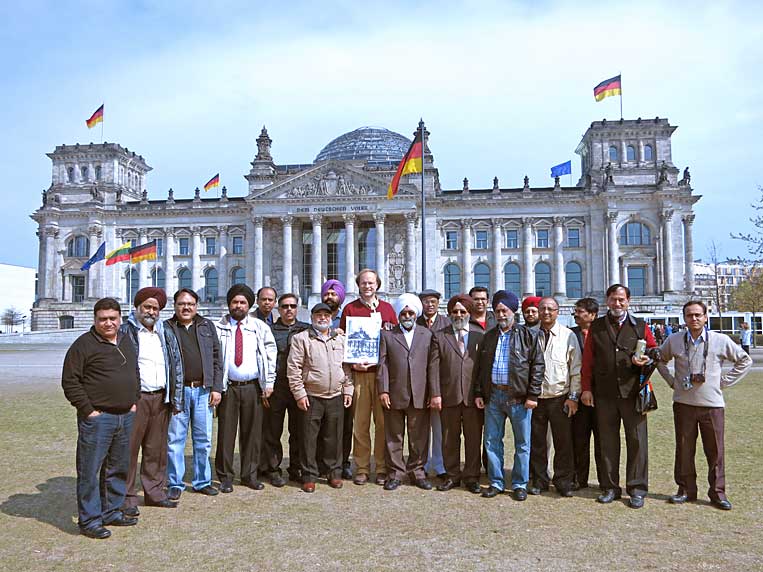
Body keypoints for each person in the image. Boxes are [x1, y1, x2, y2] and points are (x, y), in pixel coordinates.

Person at [656, 300, 752, 510]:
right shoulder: (674, 340)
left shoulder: (720, 340)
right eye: (690, 315)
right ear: (684, 318)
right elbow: (659, 359)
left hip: (712, 405)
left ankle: (717, 493)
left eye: (698, 315)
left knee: (715, 451)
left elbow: (744, 360)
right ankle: (685, 490)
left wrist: (724, 382)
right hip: (684, 404)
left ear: (706, 317)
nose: (694, 318)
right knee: (684, 449)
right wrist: (672, 381)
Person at [61, 298, 140, 539]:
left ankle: (111, 511)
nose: (108, 323)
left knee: (117, 468)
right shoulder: (83, 345)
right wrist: (88, 410)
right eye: (103, 319)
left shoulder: (126, 340)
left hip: (125, 416)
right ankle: (90, 520)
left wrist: (134, 400)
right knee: (90, 471)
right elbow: (70, 381)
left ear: (120, 319)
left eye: (112, 319)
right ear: (95, 320)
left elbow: (134, 370)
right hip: (98, 418)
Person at [581, 284, 656, 509]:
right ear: (607, 301)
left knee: (637, 442)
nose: (617, 304)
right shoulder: (596, 327)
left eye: (621, 300)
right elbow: (588, 361)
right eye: (613, 299)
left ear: (628, 301)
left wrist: (646, 360)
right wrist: (586, 388)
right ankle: (610, 487)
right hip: (604, 394)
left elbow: (653, 351)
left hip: (633, 393)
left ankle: (637, 488)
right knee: (607, 442)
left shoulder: (641, 326)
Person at [473, 290, 544, 500]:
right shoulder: (489, 337)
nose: (501, 315)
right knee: (492, 441)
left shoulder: (529, 335)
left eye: (504, 310)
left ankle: (520, 483)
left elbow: (537, 367)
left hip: (519, 398)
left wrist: (533, 395)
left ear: (513, 311)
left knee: (523, 443)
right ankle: (496, 482)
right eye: (497, 311)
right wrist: (479, 392)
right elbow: (481, 368)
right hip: (494, 396)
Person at [121, 287, 183, 515]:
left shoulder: (165, 332)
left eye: (155, 308)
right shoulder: (126, 331)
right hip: (136, 399)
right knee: (128, 449)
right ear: (137, 308)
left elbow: (176, 364)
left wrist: (175, 397)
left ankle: (155, 493)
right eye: (147, 307)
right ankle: (126, 497)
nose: (151, 312)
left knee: (156, 449)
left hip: (161, 397)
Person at [215, 284, 277, 493]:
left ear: (249, 305)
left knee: (252, 434)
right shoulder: (219, 327)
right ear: (229, 304)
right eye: (235, 302)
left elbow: (270, 355)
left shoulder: (260, 327)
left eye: (242, 302)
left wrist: (269, 382)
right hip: (229, 388)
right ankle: (225, 476)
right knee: (226, 433)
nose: (238, 306)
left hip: (252, 387)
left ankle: (249, 475)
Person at [339, 269, 397, 486]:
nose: (367, 286)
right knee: (360, 424)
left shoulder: (388, 309)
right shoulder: (350, 309)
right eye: (363, 283)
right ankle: (362, 468)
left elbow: (395, 342)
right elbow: (343, 342)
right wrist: (352, 363)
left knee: (382, 424)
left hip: (381, 375)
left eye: (371, 283)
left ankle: (381, 467)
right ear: (358, 285)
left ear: (377, 285)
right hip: (359, 374)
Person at [287, 303, 353, 493]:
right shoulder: (301, 339)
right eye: (318, 315)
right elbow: (294, 369)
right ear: (312, 317)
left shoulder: (340, 339)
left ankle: (334, 472)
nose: (322, 318)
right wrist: (299, 393)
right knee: (308, 438)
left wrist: (348, 390)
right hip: (311, 396)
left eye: (326, 314)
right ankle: (309, 476)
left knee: (334, 437)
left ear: (331, 317)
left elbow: (346, 367)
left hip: (335, 395)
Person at [165, 288, 223, 501]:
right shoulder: (167, 328)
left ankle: (202, 481)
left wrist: (217, 388)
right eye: (181, 304)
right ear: (175, 306)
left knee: (203, 439)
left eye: (190, 304)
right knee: (175, 440)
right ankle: (175, 483)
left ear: (196, 306)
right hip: (178, 392)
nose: (186, 307)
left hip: (203, 391)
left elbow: (218, 359)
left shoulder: (207, 326)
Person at [377, 293, 439, 491]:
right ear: (398, 315)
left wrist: (432, 392)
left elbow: (432, 365)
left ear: (416, 314)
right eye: (403, 313)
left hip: (420, 393)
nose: (407, 316)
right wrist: (383, 390)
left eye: (411, 312)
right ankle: (395, 473)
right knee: (394, 436)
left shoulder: (426, 334)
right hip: (395, 393)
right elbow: (383, 364)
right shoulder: (388, 335)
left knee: (419, 436)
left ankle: (417, 472)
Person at [430, 294, 484, 493]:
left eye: (463, 311)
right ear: (449, 313)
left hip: (472, 397)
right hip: (448, 395)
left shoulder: (480, 334)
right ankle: (452, 475)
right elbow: (433, 367)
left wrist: (481, 393)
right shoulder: (440, 335)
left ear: (469, 313)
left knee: (473, 438)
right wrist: (435, 394)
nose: (459, 315)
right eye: (455, 311)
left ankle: (471, 476)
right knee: (449, 438)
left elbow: (483, 368)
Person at [528, 296, 581, 497]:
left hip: (560, 397)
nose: (546, 313)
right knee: (537, 442)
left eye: (551, 309)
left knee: (563, 443)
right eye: (542, 309)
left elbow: (575, 369)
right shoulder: (529, 334)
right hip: (535, 398)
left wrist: (573, 397)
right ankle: (539, 480)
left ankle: (563, 481)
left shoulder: (568, 336)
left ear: (558, 312)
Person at [260, 293, 309, 487]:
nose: (289, 309)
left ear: (297, 308)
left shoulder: (306, 330)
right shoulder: (269, 330)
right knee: (272, 431)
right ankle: (273, 468)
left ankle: (296, 467)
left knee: (299, 430)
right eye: (285, 306)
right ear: (278, 309)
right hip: (277, 387)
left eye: (292, 306)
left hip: (298, 388)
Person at [570, 297, 604, 491]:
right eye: (576, 310)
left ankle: (604, 481)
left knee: (602, 441)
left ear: (592, 314)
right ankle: (578, 478)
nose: (576, 314)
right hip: (578, 396)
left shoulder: (602, 333)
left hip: (600, 396)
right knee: (579, 440)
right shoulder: (570, 334)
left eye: (580, 311)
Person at [320, 280, 352, 478]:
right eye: (327, 293)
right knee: (321, 425)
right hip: (320, 382)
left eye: (333, 294)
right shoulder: (316, 317)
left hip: (342, 380)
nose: (329, 297)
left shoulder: (348, 319)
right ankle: (320, 463)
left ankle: (343, 462)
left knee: (344, 426)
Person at [417, 288, 450, 481]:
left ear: (438, 303)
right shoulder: (415, 321)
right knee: (420, 428)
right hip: (419, 382)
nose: (430, 305)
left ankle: (439, 463)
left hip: (439, 382)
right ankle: (421, 462)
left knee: (439, 427)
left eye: (433, 301)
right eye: (426, 301)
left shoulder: (446, 323)